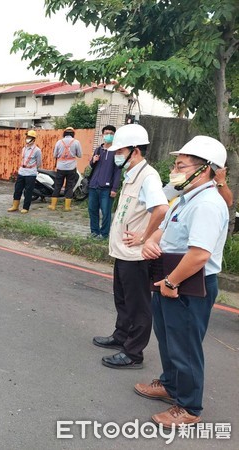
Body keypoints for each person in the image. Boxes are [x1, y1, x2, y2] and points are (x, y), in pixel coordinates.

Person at [136, 136, 229, 428]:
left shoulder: (208, 204)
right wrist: (150, 243)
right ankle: (170, 385)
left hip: (188, 285)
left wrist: (171, 283)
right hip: (170, 279)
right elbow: (161, 231)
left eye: (180, 165)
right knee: (167, 338)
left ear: (204, 170)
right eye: (175, 165)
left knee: (185, 346)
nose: (174, 170)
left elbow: (200, 255)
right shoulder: (185, 199)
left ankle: (188, 407)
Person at [92, 124, 168, 369]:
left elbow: (162, 209)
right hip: (123, 253)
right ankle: (121, 336)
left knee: (138, 306)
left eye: (120, 151)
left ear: (135, 151)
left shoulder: (149, 176)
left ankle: (134, 353)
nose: (116, 155)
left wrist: (145, 237)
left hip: (136, 255)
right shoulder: (132, 174)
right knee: (123, 299)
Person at [87, 125, 122, 238]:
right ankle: (94, 232)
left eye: (111, 133)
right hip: (93, 185)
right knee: (92, 210)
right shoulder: (98, 149)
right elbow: (92, 165)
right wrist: (93, 160)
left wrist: (114, 188)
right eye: (106, 133)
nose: (109, 136)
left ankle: (104, 234)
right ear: (102, 135)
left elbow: (117, 171)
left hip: (107, 188)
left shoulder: (117, 152)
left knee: (106, 212)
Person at [7, 130, 42, 214]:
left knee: (28, 191)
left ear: (33, 139)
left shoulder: (37, 150)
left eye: (29, 138)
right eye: (27, 137)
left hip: (30, 173)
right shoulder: (24, 148)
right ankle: (15, 206)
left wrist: (32, 168)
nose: (27, 139)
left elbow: (39, 163)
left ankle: (26, 207)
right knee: (17, 189)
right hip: (22, 171)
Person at [48, 127, 82, 211]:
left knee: (58, 185)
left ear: (64, 133)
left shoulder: (59, 142)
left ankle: (53, 205)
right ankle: (67, 207)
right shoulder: (76, 142)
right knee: (69, 186)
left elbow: (55, 155)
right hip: (71, 168)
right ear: (73, 134)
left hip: (60, 168)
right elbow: (80, 155)